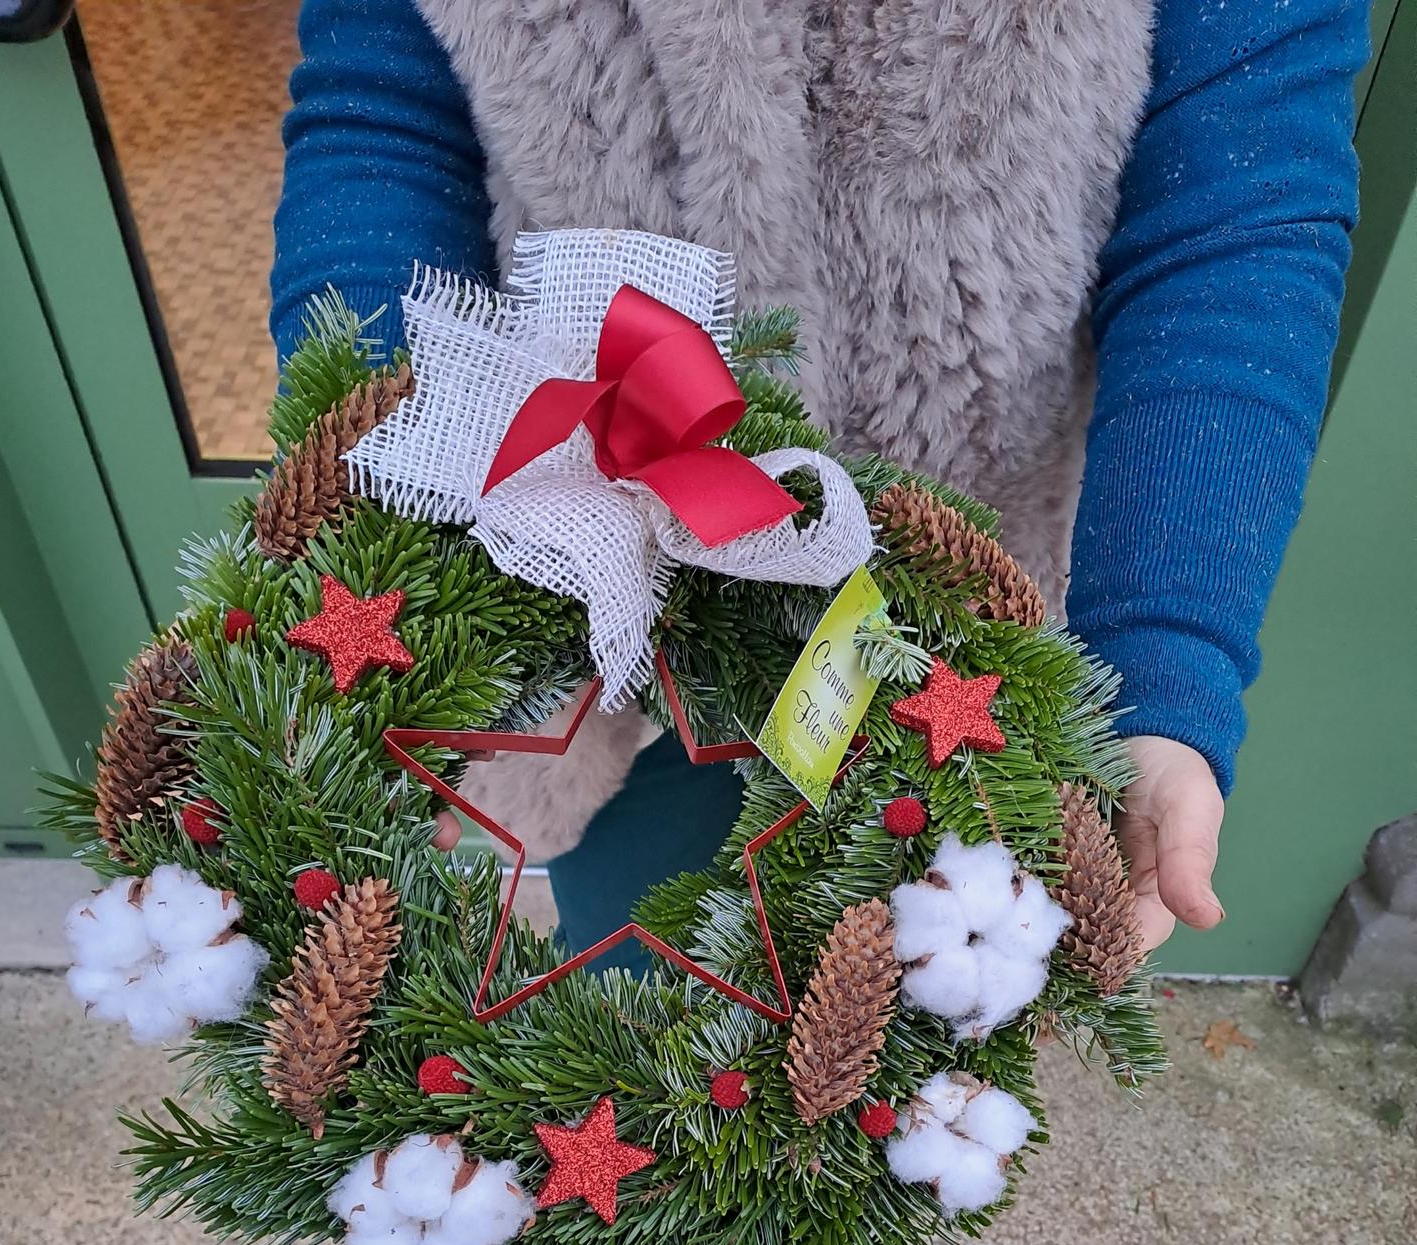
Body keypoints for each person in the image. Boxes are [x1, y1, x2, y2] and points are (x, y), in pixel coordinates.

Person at [270, 0, 1365, 958]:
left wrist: (1159, 659)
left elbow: (1234, 209)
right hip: (585, 602)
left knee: (918, 1024)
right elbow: (387, 124)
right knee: (638, 970)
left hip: (959, 646)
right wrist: (399, 561)